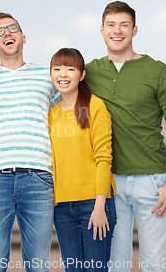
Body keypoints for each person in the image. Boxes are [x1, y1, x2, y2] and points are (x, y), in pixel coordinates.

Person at [85, 1, 166, 272]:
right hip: (110, 185)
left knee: (153, 265)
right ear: (101, 30)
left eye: (124, 25)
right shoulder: (90, 71)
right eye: (111, 25)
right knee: (115, 265)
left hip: (151, 183)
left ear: (134, 30)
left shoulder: (156, 71)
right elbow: (59, 81)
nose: (117, 31)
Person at [0, 13, 59, 272]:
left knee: (39, 265)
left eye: (13, 28)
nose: (7, 33)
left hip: (39, 176)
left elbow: (69, 107)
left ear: (23, 37)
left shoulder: (48, 76)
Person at [49, 48, 116, 272]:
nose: (63, 74)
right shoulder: (51, 114)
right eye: (57, 69)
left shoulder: (95, 106)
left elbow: (104, 158)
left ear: (82, 75)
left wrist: (100, 207)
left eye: (70, 69)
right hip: (63, 208)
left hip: (94, 203)